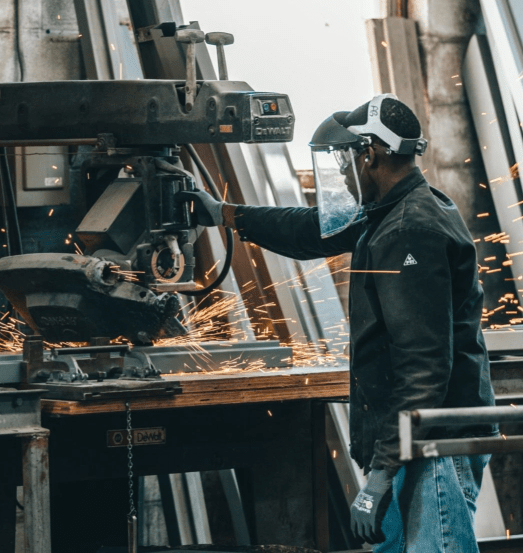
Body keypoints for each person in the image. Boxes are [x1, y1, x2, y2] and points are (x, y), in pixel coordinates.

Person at [177, 94, 498, 552]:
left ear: (370, 155)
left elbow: (424, 369)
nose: (345, 175)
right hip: (413, 438)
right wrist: (225, 215)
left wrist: (380, 477)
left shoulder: (409, 230)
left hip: (433, 443)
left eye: (348, 161)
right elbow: (310, 230)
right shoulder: (388, 213)